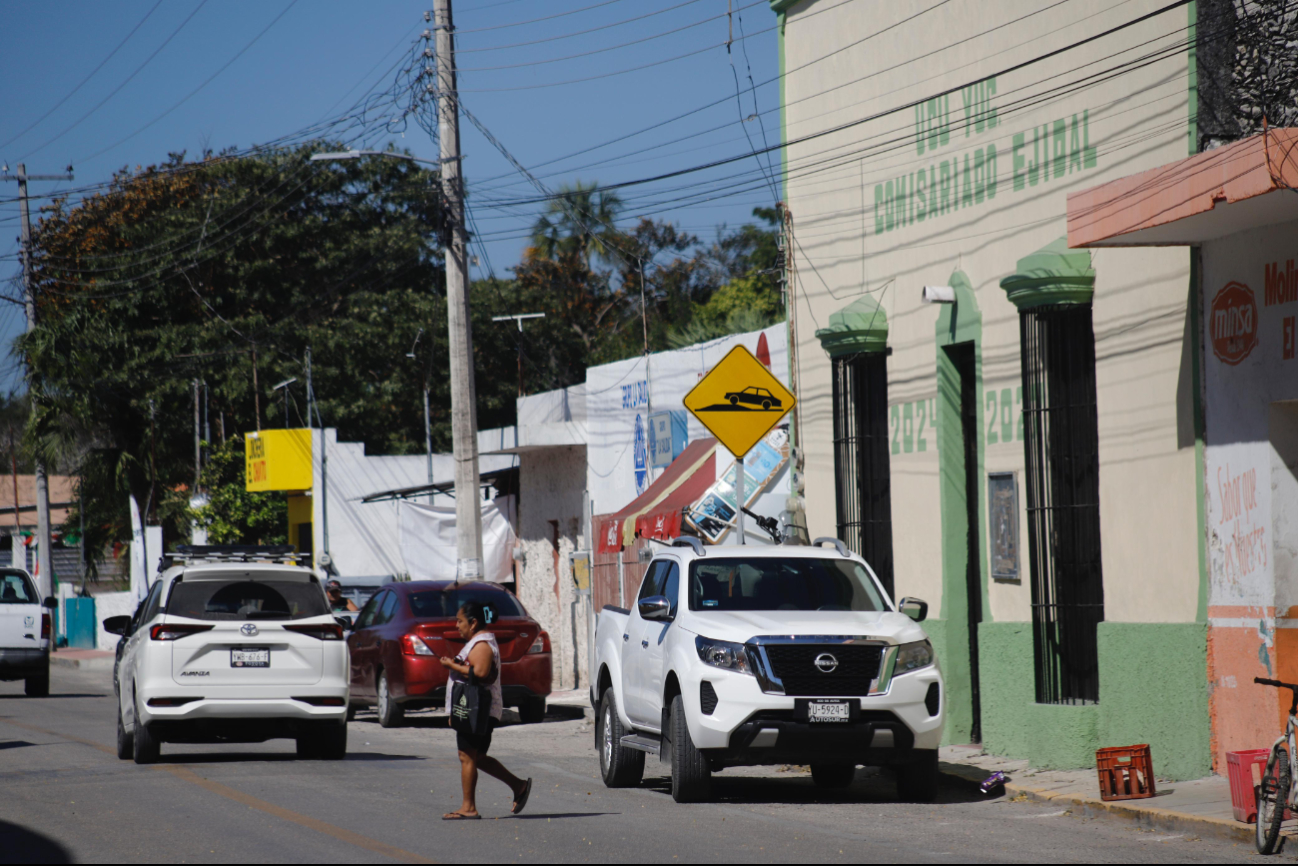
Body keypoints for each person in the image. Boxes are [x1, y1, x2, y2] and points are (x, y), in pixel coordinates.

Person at [438, 601, 532, 820]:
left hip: (477, 711)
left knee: (467, 756)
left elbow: (479, 672)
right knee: (477, 757)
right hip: (476, 710)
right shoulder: (479, 642)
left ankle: (468, 808)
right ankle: (518, 786)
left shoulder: (481, 644)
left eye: (460, 621)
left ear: (473, 623)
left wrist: (452, 666)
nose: (456, 625)